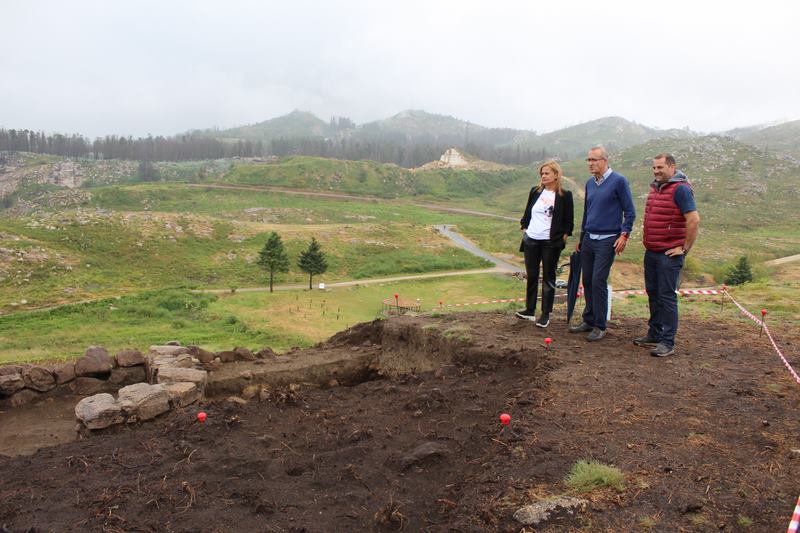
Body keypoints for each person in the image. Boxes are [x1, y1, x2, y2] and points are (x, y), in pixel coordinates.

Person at [634, 153, 700, 357]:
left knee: (666, 297)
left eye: (660, 168)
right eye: (654, 168)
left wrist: (684, 248)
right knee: (653, 293)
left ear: (672, 167)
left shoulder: (681, 189)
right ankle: (654, 333)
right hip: (652, 251)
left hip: (668, 254)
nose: (656, 171)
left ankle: (667, 342)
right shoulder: (656, 188)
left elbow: (693, 219)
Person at [569, 146, 636, 341]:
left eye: (594, 160)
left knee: (598, 280)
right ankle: (588, 319)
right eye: (588, 160)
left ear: (605, 160)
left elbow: (629, 211)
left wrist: (624, 235)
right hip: (589, 238)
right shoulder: (590, 183)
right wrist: (581, 239)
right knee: (587, 280)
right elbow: (587, 212)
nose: (590, 164)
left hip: (608, 239)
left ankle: (600, 325)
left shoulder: (619, 181)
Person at [516, 161, 574, 327]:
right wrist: (524, 226)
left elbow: (568, 222)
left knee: (549, 278)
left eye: (547, 173)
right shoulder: (535, 191)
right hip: (531, 239)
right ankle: (529, 310)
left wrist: (562, 237)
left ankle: (546, 314)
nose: (543, 176)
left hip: (550, 242)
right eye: (542, 173)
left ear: (556, 175)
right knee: (532, 275)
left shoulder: (565, 195)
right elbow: (528, 211)